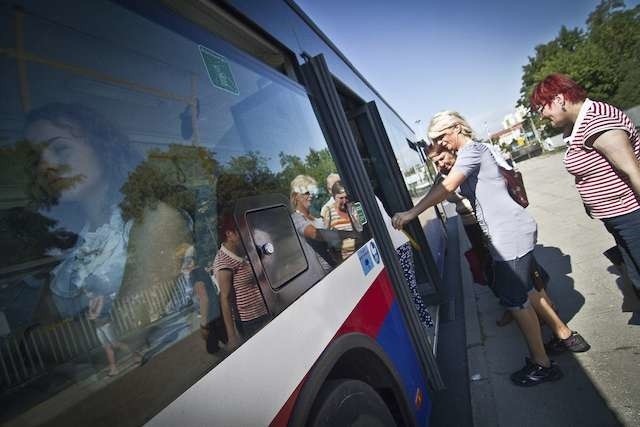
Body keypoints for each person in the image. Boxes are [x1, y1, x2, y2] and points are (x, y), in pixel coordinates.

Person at [393, 111, 589, 387]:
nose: (440, 143)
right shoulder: (468, 155)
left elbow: (447, 187)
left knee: (515, 301)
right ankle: (566, 335)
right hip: (512, 231)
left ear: (456, 128)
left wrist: (412, 212)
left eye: (440, 137)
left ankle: (542, 364)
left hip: (508, 235)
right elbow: (444, 181)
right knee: (530, 291)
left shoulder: (472, 150)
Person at [531, 73, 640, 299]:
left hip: (631, 217)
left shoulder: (598, 123)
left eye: (542, 107)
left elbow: (633, 171)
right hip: (619, 217)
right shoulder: (582, 122)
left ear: (560, 99)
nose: (541, 115)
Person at [25, 103, 136, 319]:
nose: (45, 166)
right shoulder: (68, 236)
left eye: (60, 149)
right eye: (36, 158)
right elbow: (41, 325)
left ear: (102, 148)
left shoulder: (143, 221)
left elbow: (139, 328)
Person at [375, 197, 433, 329]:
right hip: (395, 245)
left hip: (397, 245)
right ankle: (424, 324)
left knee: (408, 289)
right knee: (408, 290)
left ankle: (425, 325)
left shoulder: (360, 199)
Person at [213, 213, 269, 348]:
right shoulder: (224, 262)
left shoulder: (242, 250)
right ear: (229, 234)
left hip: (264, 311)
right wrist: (232, 337)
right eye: (241, 231)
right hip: (251, 321)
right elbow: (224, 299)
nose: (246, 234)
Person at [175, 243, 227, 354]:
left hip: (210, 318)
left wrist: (203, 325)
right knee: (220, 344)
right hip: (216, 314)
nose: (183, 265)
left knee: (214, 349)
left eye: (185, 260)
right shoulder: (201, 271)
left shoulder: (195, 274)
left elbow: (204, 299)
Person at [86, 284, 139, 376]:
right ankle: (113, 369)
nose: (87, 294)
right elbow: (91, 315)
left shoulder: (100, 297)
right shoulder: (92, 300)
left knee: (115, 344)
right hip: (98, 326)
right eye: (86, 292)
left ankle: (135, 355)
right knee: (107, 347)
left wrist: (92, 314)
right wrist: (91, 309)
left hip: (106, 324)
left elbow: (96, 314)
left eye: (88, 291)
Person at [324, 181, 357, 260]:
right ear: (334, 197)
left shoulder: (354, 207)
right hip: (346, 259)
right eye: (341, 198)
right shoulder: (329, 212)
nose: (344, 201)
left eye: (346, 197)